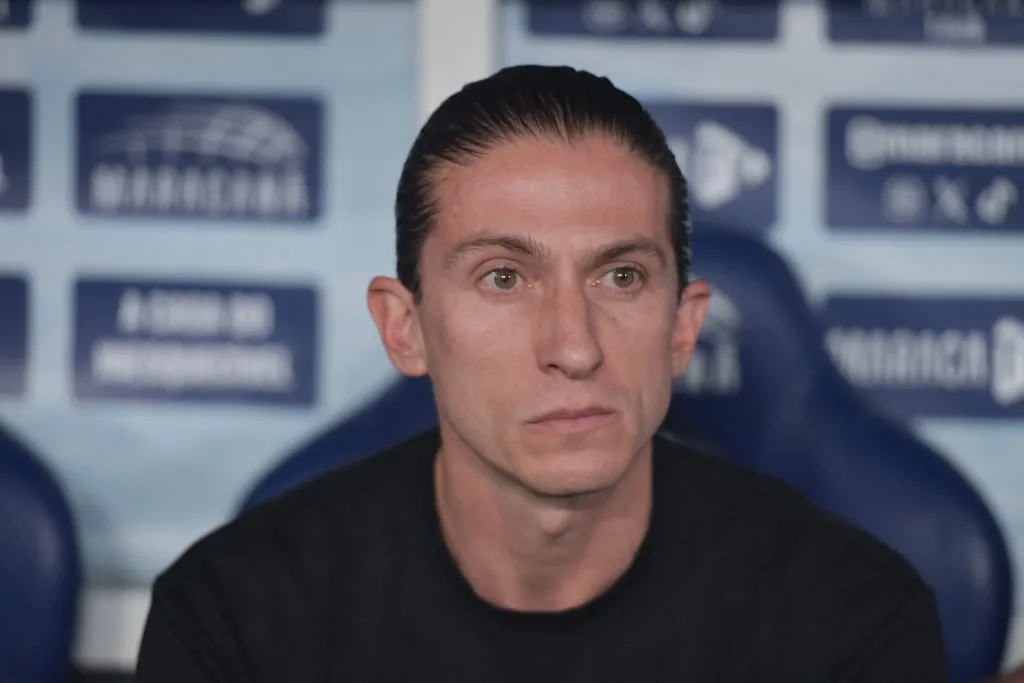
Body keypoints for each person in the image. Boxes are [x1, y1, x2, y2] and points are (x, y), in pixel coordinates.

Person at [134, 65, 949, 682]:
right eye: (503, 277)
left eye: (621, 276)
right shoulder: (234, 619)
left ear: (682, 327)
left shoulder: (851, 623)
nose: (575, 345)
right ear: (406, 328)